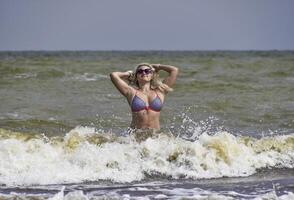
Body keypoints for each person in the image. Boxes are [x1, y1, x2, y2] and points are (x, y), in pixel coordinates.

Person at [110, 63, 179, 133]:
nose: (143, 72)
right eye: (140, 71)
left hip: (155, 136)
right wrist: (129, 74)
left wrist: (158, 67)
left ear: (152, 75)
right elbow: (113, 75)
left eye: (147, 71)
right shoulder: (131, 92)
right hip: (135, 137)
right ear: (136, 76)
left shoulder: (160, 91)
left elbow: (174, 70)